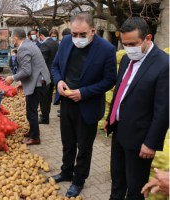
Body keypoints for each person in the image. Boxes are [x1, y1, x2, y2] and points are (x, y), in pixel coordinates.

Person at [49, 12, 117, 198]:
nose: (77, 38)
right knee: (68, 142)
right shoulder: (65, 43)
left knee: (84, 147)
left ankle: (78, 180)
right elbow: (55, 67)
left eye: (82, 34)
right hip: (67, 102)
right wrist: (59, 82)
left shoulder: (106, 49)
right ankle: (66, 171)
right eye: (74, 34)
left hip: (88, 106)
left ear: (93, 31)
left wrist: (84, 93)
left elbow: (110, 80)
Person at [104, 17, 169, 200]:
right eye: (124, 44)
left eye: (133, 43)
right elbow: (120, 92)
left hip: (141, 141)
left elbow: (163, 110)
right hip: (119, 132)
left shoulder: (164, 65)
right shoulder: (126, 59)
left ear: (148, 38)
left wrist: (151, 143)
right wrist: (110, 119)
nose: (128, 48)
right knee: (117, 180)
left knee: (135, 188)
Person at [5, 28, 51, 145]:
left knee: (31, 111)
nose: (11, 40)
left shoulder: (24, 48)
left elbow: (26, 71)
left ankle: (35, 137)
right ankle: (32, 131)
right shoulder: (30, 44)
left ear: (15, 38)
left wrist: (13, 78)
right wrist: (22, 82)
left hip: (39, 83)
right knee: (31, 109)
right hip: (40, 80)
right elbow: (32, 67)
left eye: (12, 38)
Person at [38, 27, 59, 124]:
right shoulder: (56, 43)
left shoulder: (45, 45)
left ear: (41, 36)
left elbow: (42, 63)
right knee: (49, 96)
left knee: (44, 97)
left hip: (46, 77)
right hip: (54, 75)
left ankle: (45, 118)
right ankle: (45, 114)